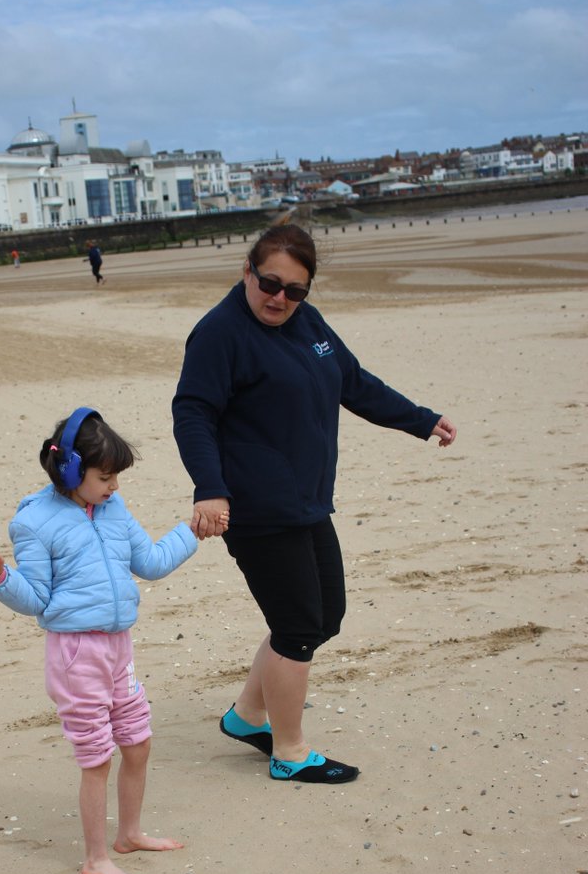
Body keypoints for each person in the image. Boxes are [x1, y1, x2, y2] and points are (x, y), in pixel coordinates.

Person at [172, 223, 457, 785]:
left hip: (305, 499)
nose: (279, 298)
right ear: (247, 271)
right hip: (254, 507)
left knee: (324, 616)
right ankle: (290, 750)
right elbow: (193, 413)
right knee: (298, 625)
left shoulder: (307, 323)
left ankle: (248, 716)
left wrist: (420, 420)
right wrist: (210, 487)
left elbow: (354, 382)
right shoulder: (220, 333)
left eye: (295, 290)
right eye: (270, 283)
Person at [0, 407, 199, 874]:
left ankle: (129, 834)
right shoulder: (35, 522)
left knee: (137, 742)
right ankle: (96, 858)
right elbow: (36, 598)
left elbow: (152, 562)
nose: (113, 486)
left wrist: (191, 531)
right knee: (97, 756)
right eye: (104, 477)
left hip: (119, 646)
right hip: (76, 654)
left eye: (115, 476)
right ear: (71, 470)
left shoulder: (112, 508)